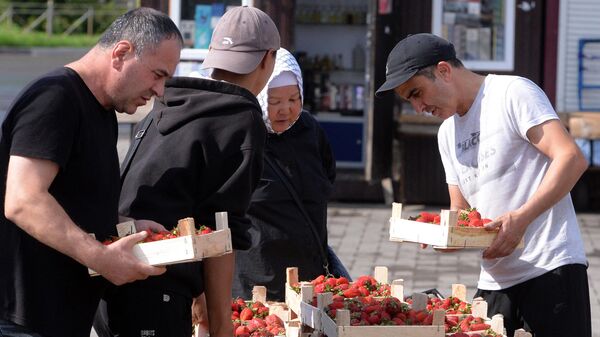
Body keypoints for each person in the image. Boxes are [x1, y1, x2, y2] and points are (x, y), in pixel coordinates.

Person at [376, 33, 591, 337]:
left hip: (551, 269)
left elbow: (571, 158)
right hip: (494, 282)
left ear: (443, 70)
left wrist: (522, 218)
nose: (418, 107)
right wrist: (440, 235)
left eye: (416, 92)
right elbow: (461, 213)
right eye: (409, 99)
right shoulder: (447, 134)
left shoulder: (511, 93)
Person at [93, 6, 280, 337]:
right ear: (269, 58)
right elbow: (224, 228)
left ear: (213, 54)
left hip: (113, 279)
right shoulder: (240, 117)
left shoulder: (172, 100)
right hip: (158, 290)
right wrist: (222, 323)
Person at [0, 7, 182, 337]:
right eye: (158, 74)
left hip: (58, 318)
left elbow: (72, 198)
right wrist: (102, 259)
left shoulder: (102, 108)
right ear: (122, 53)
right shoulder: (55, 98)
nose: (160, 91)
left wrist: (123, 225)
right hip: (23, 320)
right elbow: (22, 200)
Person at [230, 48, 350, 302]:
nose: (285, 109)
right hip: (258, 279)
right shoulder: (243, 135)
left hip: (311, 274)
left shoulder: (310, 130)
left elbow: (327, 175)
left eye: (294, 99)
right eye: (274, 102)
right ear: (259, 97)